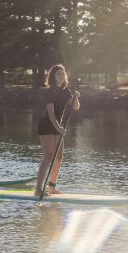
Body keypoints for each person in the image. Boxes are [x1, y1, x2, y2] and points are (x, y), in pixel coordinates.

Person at [34, 64, 80, 196]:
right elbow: (50, 113)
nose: (61, 76)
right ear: (53, 76)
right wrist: (59, 127)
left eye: (62, 74)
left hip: (57, 127)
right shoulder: (50, 91)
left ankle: (52, 187)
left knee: (59, 157)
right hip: (47, 125)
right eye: (58, 74)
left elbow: (75, 107)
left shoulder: (66, 91)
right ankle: (38, 190)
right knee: (48, 156)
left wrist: (76, 97)